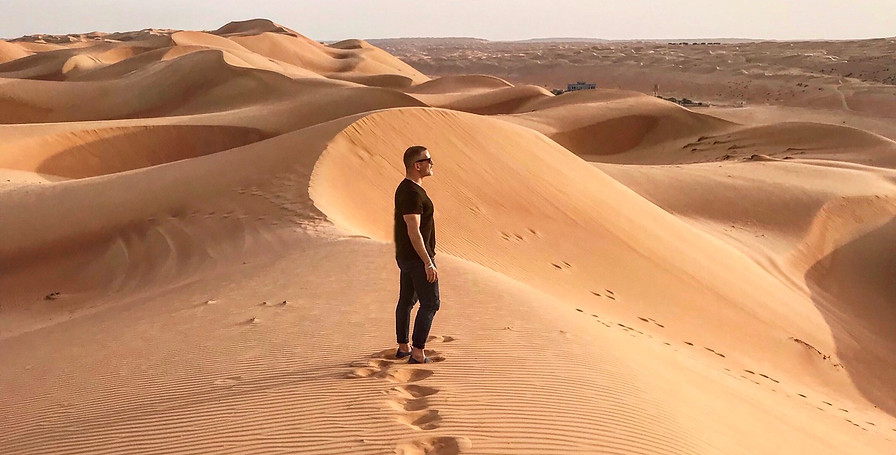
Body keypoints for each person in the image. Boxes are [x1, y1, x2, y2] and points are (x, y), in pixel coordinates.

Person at [394, 145, 439, 364]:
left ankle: (403, 346)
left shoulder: (408, 189)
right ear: (417, 165)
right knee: (431, 303)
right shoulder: (411, 193)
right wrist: (427, 262)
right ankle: (418, 351)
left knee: (407, 300)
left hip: (407, 256)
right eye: (428, 159)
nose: (432, 163)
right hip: (417, 258)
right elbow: (414, 230)